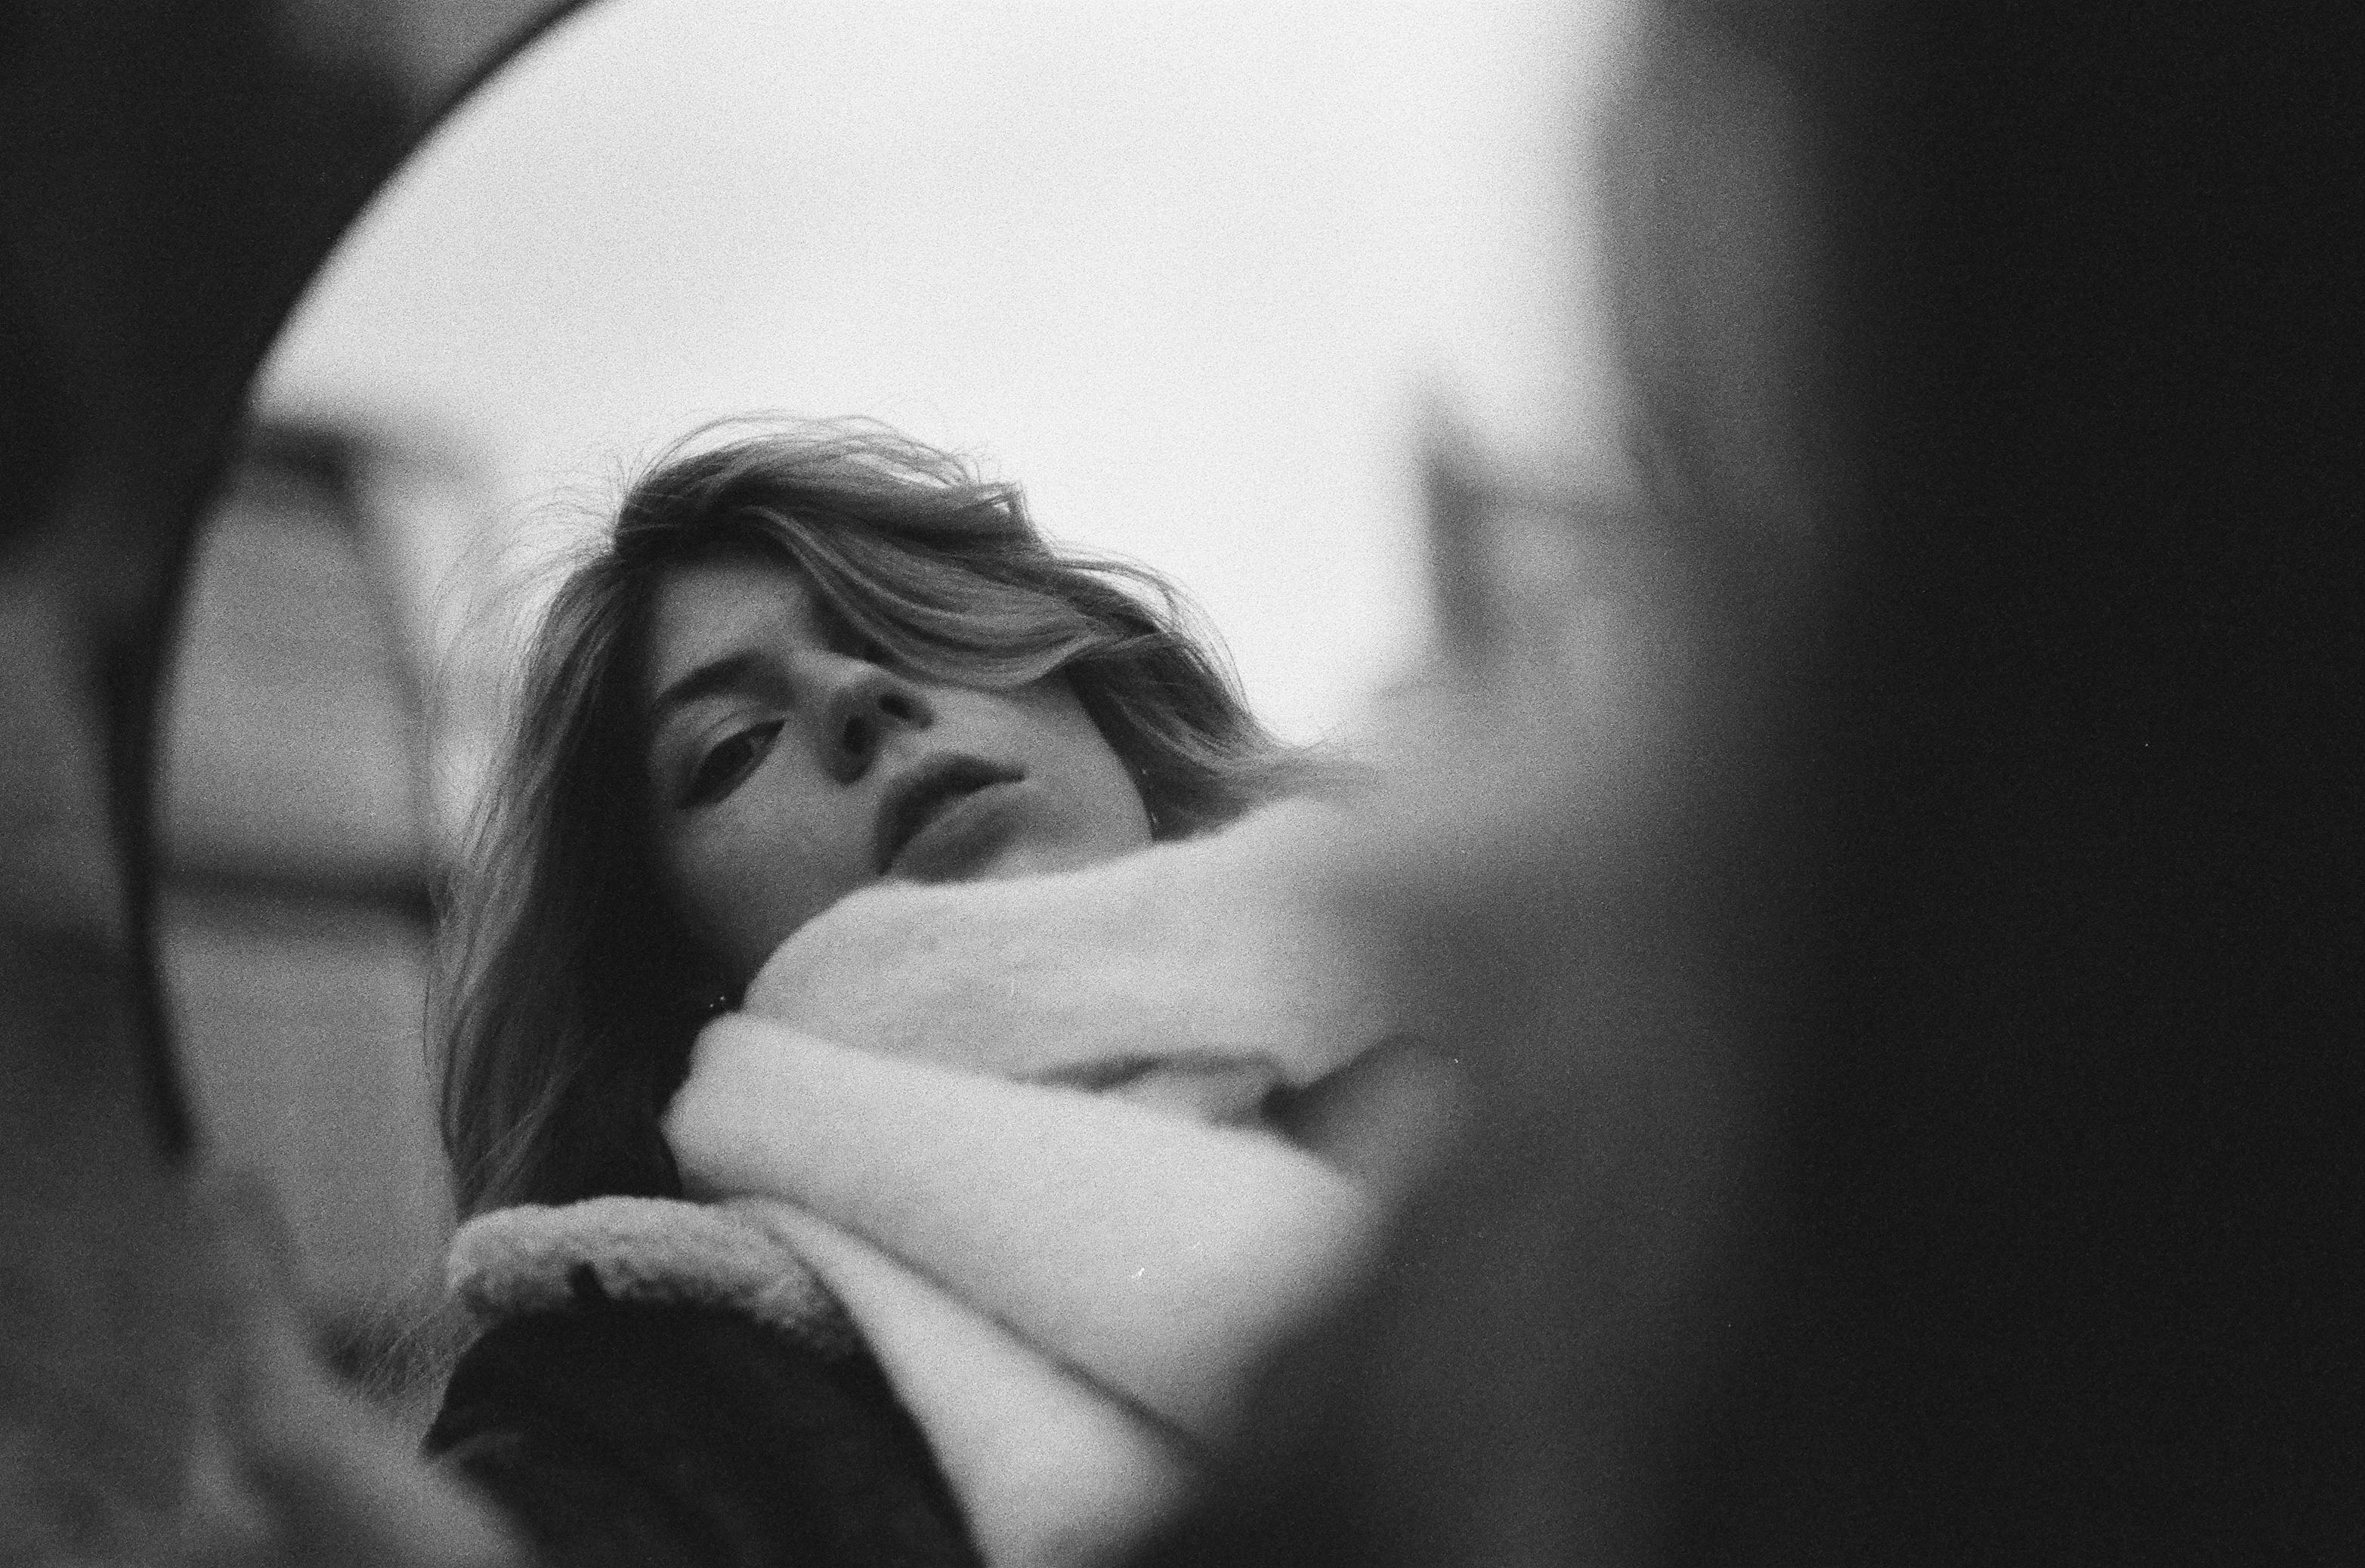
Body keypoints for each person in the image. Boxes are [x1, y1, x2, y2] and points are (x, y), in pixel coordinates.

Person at [421, 420, 1412, 1568]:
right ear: (670, 960)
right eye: (735, 745)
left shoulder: (1518, 1034)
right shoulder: (655, 1368)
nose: (859, 691)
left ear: (1092, 694)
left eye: (915, 626)